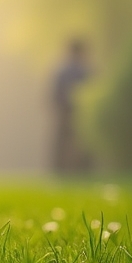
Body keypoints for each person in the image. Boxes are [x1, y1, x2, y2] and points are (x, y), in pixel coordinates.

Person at [51, 38, 93, 174]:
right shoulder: (86, 71)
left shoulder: (62, 72)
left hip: (65, 112)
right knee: (82, 144)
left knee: (62, 145)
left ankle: (60, 172)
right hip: (80, 114)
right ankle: (82, 172)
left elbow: (54, 95)